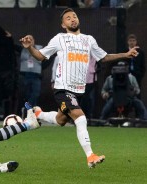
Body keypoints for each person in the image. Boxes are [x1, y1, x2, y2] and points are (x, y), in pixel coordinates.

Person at [19, 8, 139, 168]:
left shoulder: (89, 40)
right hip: (63, 89)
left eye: (74, 16)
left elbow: (103, 57)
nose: (72, 19)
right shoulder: (59, 39)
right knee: (80, 119)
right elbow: (41, 56)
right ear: (63, 24)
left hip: (79, 90)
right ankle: (90, 156)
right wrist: (29, 48)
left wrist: (125, 54)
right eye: (68, 18)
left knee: (60, 120)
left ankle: (37, 113)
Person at [20, 35, 43, 109]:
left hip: (36, 75)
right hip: (25, 75)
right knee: (26, 95)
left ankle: (29, 110)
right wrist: (9, 38)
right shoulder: (22, 49)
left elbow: (47, 58)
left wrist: (42, 69)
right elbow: (11, 46)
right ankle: (30, 112)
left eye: (31, 39)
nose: (29, 40)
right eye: (27, 39)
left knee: (36, 94)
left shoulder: (40, 49)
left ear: (34, 40)